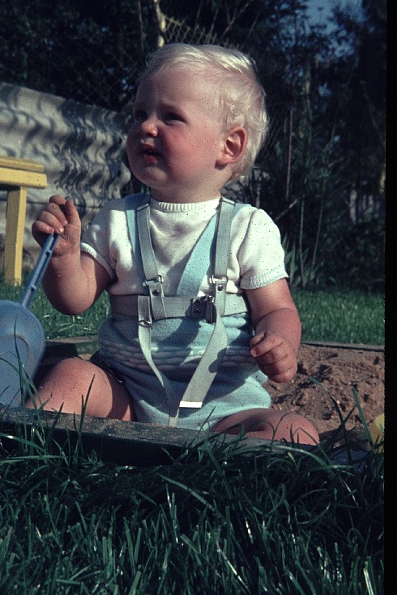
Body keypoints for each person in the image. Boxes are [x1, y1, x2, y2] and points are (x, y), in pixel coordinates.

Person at [25, 43, 319, 445]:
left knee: (294, 430)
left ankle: (237, 482)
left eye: (171, 117)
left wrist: (280, 342)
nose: (146, 127)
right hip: (126, 399)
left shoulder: (249, 228)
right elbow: (74, 300)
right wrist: (63, 258)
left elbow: (278, 308)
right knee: (71, 376)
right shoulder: (118, 220)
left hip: (226, 406)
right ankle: (19, 447)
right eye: (139, 114)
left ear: (228, 146)